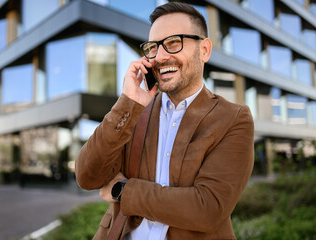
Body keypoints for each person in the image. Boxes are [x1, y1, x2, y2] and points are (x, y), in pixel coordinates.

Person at [75, 2, 254, 239]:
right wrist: (127, 102)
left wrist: (123, 190)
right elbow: (88, 176)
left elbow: (207, 208)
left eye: (173, 43)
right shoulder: (133, 113)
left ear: (205, 50)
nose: (159, 57)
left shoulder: (233, 118)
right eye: (153, 47)